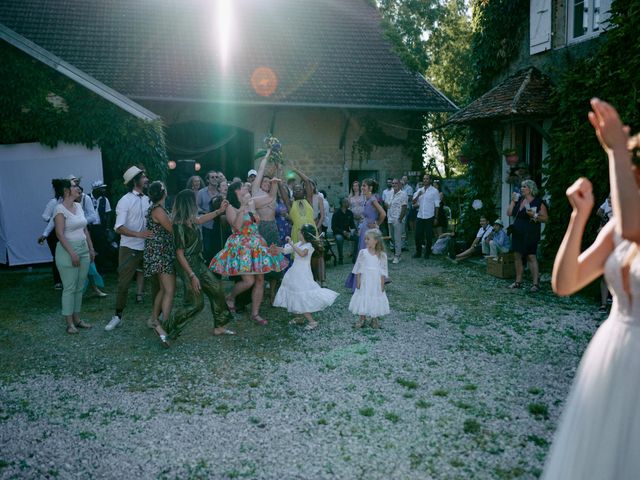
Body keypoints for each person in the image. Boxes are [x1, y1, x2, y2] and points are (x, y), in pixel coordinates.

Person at [541, 98, 640, 480]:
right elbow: (565, 283)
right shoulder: (619, 228)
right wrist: (578, 217)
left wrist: (615, 148)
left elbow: (633, 224)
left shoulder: (630, 224)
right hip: (613, 354)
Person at [209, 181, 288, 326]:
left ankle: (255, 314)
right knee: (248, 281)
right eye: (245, 186)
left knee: (259, 280)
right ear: (237, 191)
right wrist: (243, 207)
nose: (248, 187)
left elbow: (270, 198)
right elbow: (238, 226)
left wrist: (275, 182)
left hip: (257, 244)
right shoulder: (230, 207)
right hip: (241, 246)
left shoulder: (252, 202)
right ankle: (230, 297)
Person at [164, 189, 234, 338]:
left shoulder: (190, 219)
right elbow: (179, 254)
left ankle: (219, 326)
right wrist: (192, 275)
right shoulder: (179, 225)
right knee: (196, 304)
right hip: (186, 265)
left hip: (197, 261)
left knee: (216, 289)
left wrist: (219, 211)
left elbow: (201, 219)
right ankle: (167, 328)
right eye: (194, 200)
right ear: (189, 203)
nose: (196, 203)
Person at [105, 166, 152, 331]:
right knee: (123, 284)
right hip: (128, 247)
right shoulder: (124, 200)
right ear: (135, 181)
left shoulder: (148, 199)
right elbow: (118, 228)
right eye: (143, 176)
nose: (146, 179)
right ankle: (117, 316)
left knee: (156, 279)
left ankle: (158, 316)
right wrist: (139, 235)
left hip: (147, 247)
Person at [271, 224, 339, 330]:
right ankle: (299, 317)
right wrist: (276, 249)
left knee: (302, 295)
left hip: (302, 274)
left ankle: (312, 321)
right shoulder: (299, 243)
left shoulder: (309, 246)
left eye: (300, 232)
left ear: (304, 234)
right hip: (294, 273)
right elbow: (286, 251)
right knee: (295, 293)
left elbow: (302, 254)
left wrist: (291, 244)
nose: (298, 233)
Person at [52, 178, 95, 334]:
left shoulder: (78, 205)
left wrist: (90, 249)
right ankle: (69, 323)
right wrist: (72, 253)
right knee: (69, 287)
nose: (79, 189)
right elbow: (59, 234)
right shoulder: (59, 209)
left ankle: (77, 319)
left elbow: (85, 229)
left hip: (83, 249)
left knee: (79, 287)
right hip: (67, 251)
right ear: (66, 191)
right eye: (75, 186)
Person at [143, 181, 173, 347]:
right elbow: (171, 229)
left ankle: (155, 319)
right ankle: (164, 325)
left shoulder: (156, 208)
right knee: (169, 289)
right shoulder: (159, 210)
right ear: (163, 192)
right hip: (160, 253)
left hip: (159, 251)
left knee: (163, 289)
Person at [506, 179, 549, 292]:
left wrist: (534, 215)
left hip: (530, 233)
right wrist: (512, 202)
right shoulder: (519, 200)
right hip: (517, 232)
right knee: (517, 256)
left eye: (524, 187)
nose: (521, 188)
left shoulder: (538, 202)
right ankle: (518, 281)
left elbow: (545, 219)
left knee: (531, 256)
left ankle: (535, 284)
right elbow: (509, 213)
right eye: (521, 186)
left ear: (530, 189)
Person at [345, 178, 386, 291]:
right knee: (362, 254)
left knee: (368, 255)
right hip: (364, 230)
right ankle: (360, 283)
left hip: (370, 232)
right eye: (362, 186)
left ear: (370, 188)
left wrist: (377, 224)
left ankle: (368, 284)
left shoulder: (373, 199)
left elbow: (383, 213)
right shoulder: (367, 199)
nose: (362, 188)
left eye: (364, 186)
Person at [348, 228, 389, 329]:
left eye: (368, 239)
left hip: (376, 281)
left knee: (375, 297)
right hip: (365, 280)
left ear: (376, 241)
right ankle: (362, 318)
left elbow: (383, 271)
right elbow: (358, 268)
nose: (365, 241)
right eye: (365, 239)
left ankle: (374, 318)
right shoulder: (363, 253)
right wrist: (357, 281)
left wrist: (382, 284)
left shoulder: (382, 255)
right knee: (363, 297)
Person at [412, 174, 440, 260]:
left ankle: (427, 253)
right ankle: (418, 252)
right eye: (424, 179)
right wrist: (418, 194)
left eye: (427, 179)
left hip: (429, 216)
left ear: (430, 180)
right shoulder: (419, 190)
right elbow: (413, 202)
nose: (425, 180)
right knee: (417, 235)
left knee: (428, 236)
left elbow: (437, 205)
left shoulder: (434, 191)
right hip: (420, 216)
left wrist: (436, 217)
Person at [196, 171, 221, 264]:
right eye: (212, 177)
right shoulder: (201, 192)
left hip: (219, 225)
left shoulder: (220, 192)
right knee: (207, 249)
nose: (215, 179)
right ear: (207, 180)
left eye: (216, 177)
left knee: (218, 248)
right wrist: (204, 212)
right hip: (207, 224)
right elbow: (196, 206)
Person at [385, 178, 408, 264]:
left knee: (397, 238)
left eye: (396, 183)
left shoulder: (403, 194)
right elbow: (386, 204)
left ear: (400, 185)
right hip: (390, 218)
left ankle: (397, 256)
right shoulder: (389, 193)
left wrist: (400, 219)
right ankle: (396, 254)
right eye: (393, 183)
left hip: (397, 219)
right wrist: (386, 204)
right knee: (393, 239)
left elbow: (404, 207)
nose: (394, 185)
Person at [331, 197, 357, 264]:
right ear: (343, 203)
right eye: (347, 202)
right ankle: (340, 258)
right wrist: (342, 232)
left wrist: (354, 230)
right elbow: (333, 227)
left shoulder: (350, 213)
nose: (349, 203)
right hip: (338, 233)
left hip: (347, 233)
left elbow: (352, 224)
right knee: (339, 238)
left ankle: (355, 257)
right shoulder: (336, 213)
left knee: (358, 238)